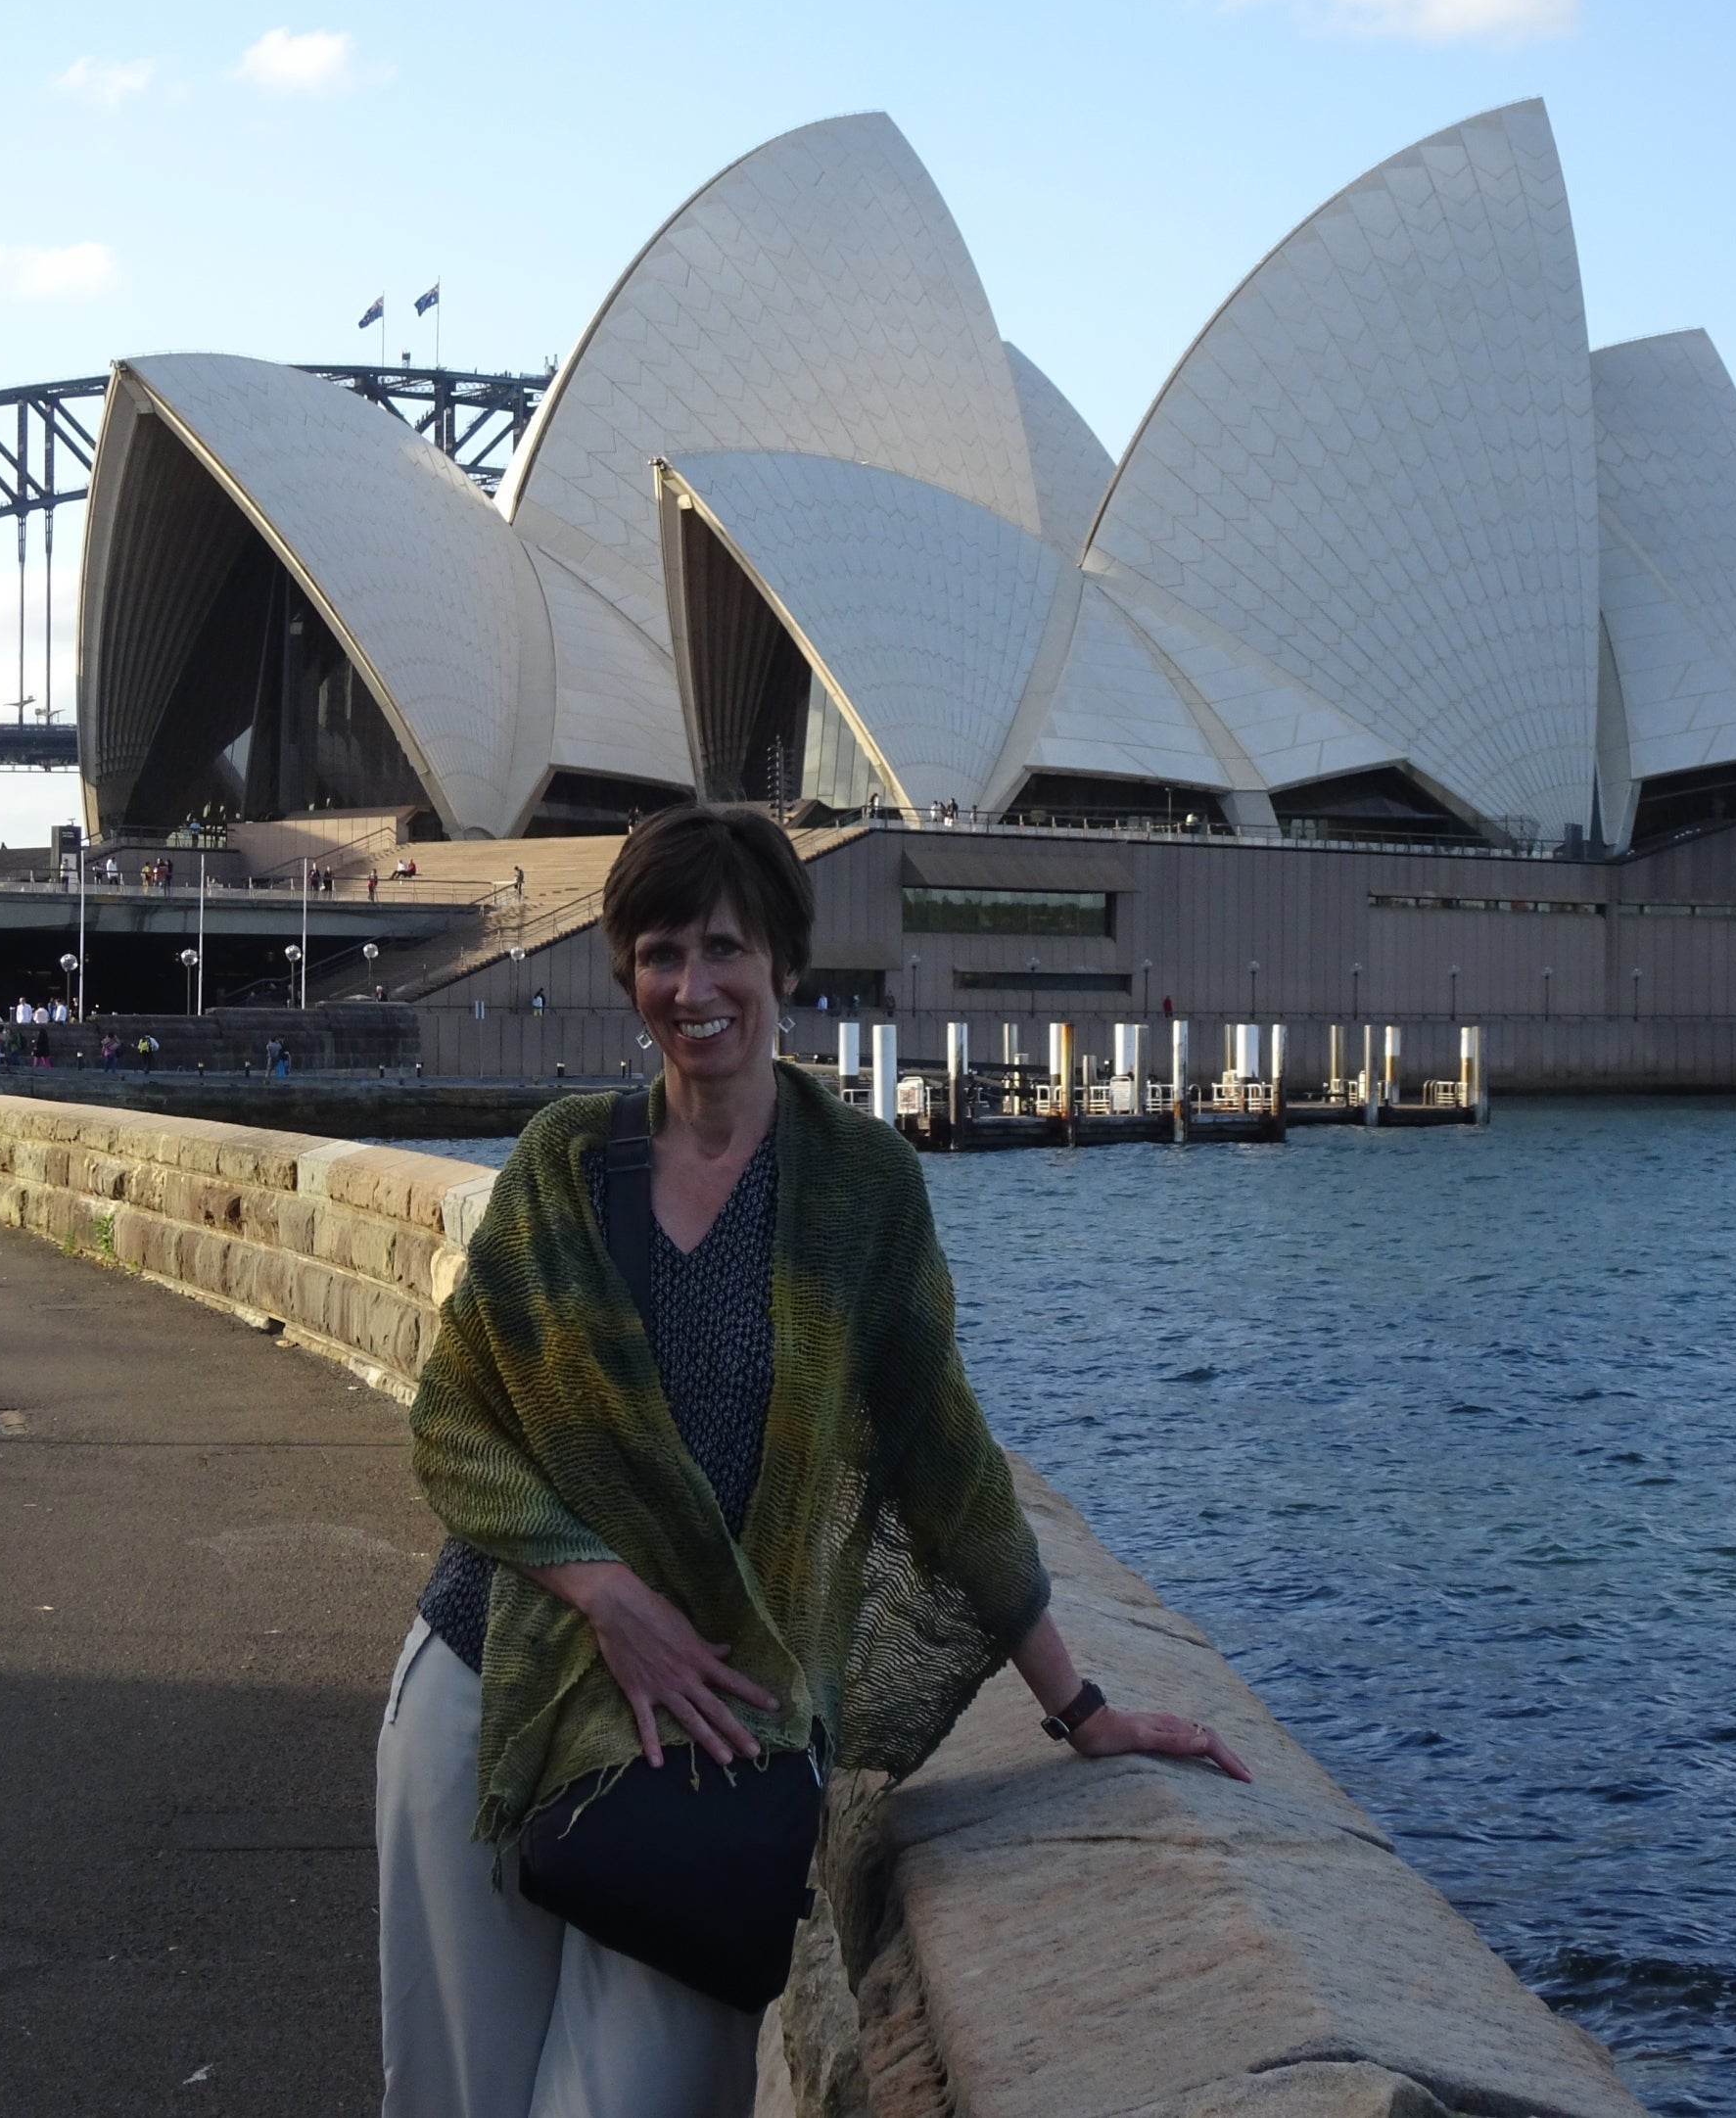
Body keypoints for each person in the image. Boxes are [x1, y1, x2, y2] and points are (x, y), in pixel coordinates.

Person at [381, 806, 1249, 2118]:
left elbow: (947, 1463)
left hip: (704, 1732)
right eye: (660, 951)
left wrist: (1081, 1706)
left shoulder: (860, 1189)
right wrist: (604, 1593)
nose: (692, 985)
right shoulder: (567, 1165)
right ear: (628, 975)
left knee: (635, 2098)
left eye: (723, 946)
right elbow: (455, 1419)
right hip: (483, 1682)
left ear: (785, 963)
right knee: (455, 2095)